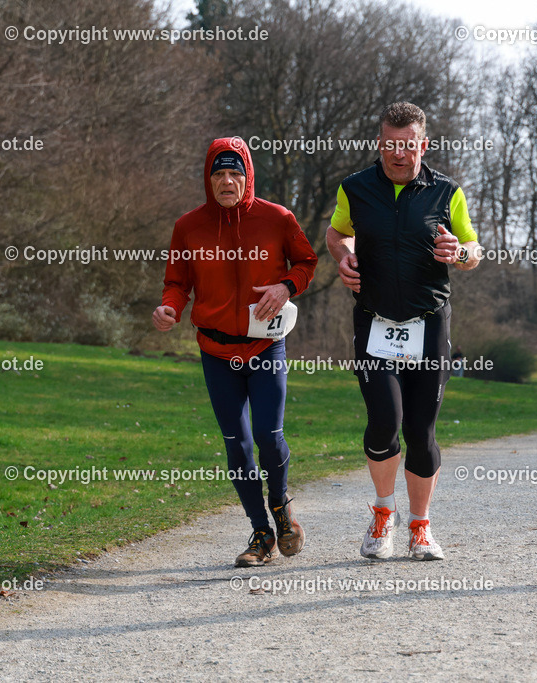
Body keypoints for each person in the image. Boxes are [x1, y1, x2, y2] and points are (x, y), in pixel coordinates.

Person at [325, 102, 481, 561]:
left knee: (421, 429)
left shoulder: (446, 193)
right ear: (380, 144)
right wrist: (345, 255)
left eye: (408, 146)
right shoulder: (355, 188)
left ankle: (420, 526)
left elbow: (473, 249)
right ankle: (381, 513)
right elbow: (337, 234)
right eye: (391, 145)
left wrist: (460, 252)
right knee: (383, 422)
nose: (399, 154)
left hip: (429, 323)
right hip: (374, 322)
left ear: (422, 145)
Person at [153, 137, 318, 567]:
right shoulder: (188, 226)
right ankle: (260, 532)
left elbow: (306, 263)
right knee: (237, 444)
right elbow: (177, 281)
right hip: (215, 350)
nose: (227, 181)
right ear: (208, 180)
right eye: (219, 174)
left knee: (268, 435)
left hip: (266, 347)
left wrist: (285, 287)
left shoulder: (277, 218)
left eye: (235, 173)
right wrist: (170, 307)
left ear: (247, 177)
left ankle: (281, 507)